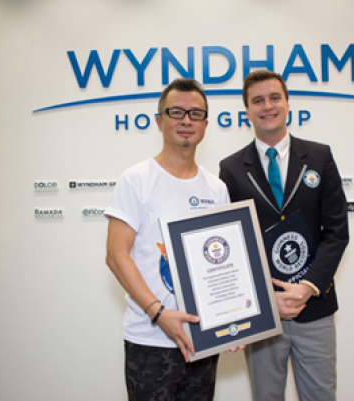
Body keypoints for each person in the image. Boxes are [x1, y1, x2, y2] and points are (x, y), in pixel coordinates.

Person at [219, 70, 349, 401]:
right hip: (263, 314)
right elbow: (233, 248)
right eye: (258, 101)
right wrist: (265, 297)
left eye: (275, 98)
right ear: (247, 111)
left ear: (288, 103)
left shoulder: (319, 157)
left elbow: (337, 232)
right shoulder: (231, 169)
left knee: (321, 396)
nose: (268, 106)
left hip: (314, 306)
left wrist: (307, 287)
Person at [105, 78, 229, 401]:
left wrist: (231, 321)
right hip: (150, 340)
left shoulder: (216, 189)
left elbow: (221, 263)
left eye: (195, 113)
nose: (186, 120)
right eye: (176, 112)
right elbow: (116, 255)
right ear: (159, 121)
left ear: (205, 125)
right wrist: (159, 314)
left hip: (202, 340)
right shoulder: (136, 180)